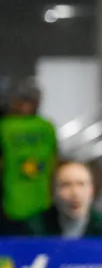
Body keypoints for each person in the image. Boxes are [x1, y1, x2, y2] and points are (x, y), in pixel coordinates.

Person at [0, 78, 59, 233]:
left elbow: (54, 162)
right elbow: (54, 161)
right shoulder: (46, 127)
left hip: (30, 201)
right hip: (20, 201)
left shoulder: (6, 126)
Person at [17, 159, 102, 238]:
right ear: (53, 192)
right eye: (66, 185)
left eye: (81, 184)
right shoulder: (35, 227)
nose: (75, 193)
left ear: (91, 191)